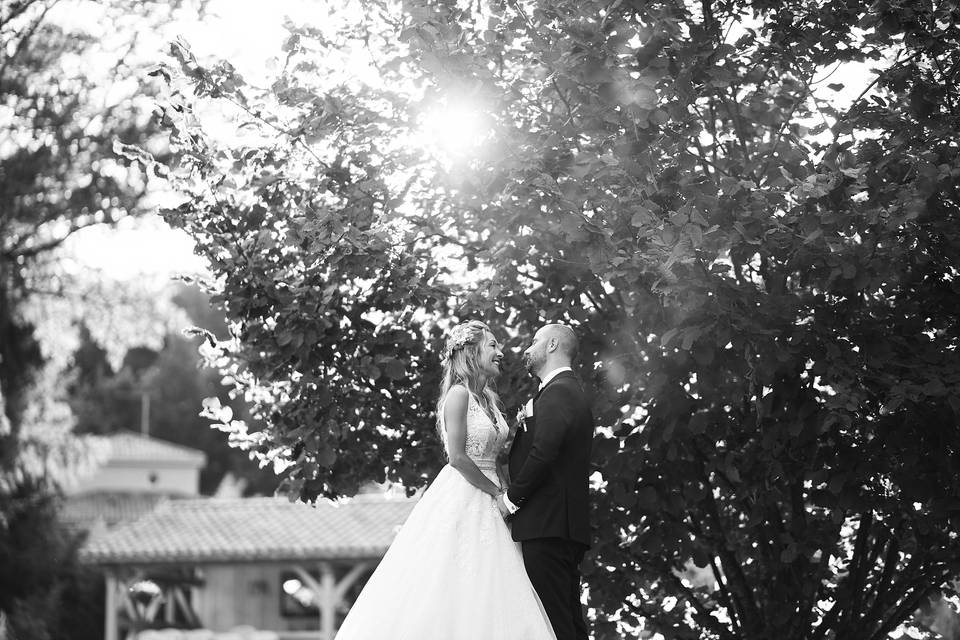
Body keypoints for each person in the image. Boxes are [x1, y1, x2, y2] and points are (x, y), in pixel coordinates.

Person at [333, 320, 557, 640]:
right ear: (470, 352)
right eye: (492, 345)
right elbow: (458, 458)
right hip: (467, 492)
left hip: (496, 496)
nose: (500, 352)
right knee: (453, 578)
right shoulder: (457, 395)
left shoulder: (490, 401)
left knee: (495, 581)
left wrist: (507, 492)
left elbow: (496, 456)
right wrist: (498, 493)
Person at [497, 323, 594, 640]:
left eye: (534, 341)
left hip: (548, 525)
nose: (527, 348)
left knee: (553, 625)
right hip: (559, 526)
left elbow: (543, 452)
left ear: (552, 345)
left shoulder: (560, 391)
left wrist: (510, 501)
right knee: (567, 622)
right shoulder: (563, 390)